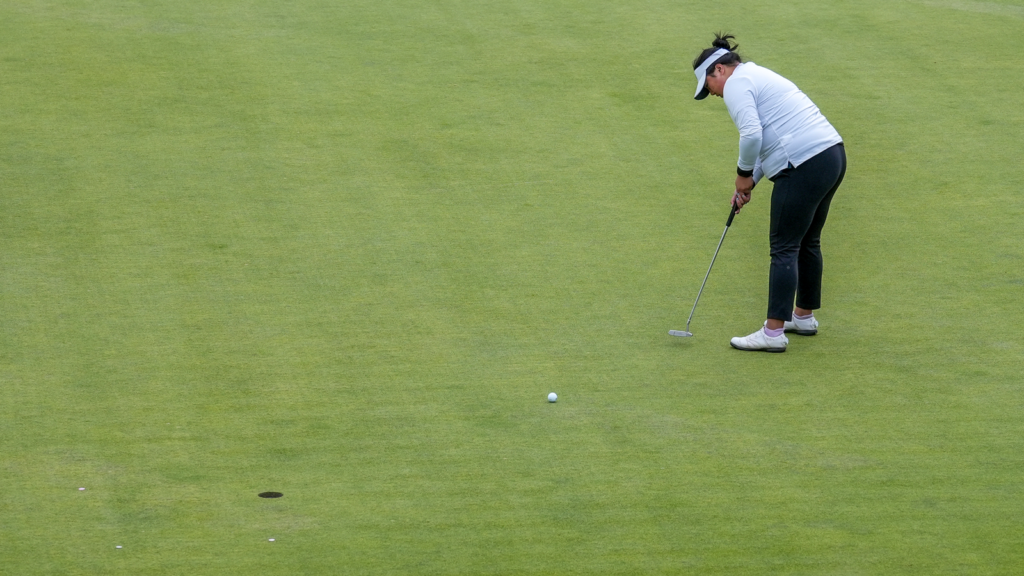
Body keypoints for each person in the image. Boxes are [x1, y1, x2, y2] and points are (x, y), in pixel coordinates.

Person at [692, 33, 846, 353]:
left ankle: (773, 333)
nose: (714, 94)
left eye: (709, 87)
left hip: (802, 163)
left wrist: (742, 176)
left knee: (784, 247)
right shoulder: (755, 74)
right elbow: (767, 141)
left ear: (719, 69)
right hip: (830, 156)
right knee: (807, 240)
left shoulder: (736, 84)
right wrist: (750, 184)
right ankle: (802, 316)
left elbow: (751, 135)